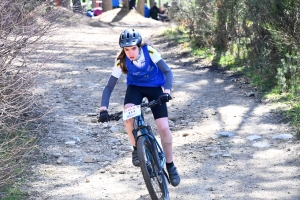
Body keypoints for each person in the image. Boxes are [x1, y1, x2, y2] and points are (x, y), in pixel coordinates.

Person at [98, 28, 180, 187]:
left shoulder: (149, 51)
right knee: (128, 118)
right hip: (135, 88)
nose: (130, 53)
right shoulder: (121, 60)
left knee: (163, 128)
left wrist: (167, 92)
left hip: (155, 88)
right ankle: (136, 148)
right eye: (126, 49)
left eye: (133, 48)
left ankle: (170, 165)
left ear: (139, 46)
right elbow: (109, 87)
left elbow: (168, 72)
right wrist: (103, 109)